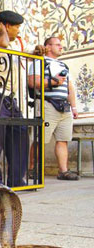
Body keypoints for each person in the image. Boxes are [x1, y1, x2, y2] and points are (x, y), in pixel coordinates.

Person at [0, 10, 45, 189]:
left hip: (10, 97)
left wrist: (38, 50)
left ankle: (16, 179)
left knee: (20, 133)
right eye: (16, 28)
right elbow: (1, 44)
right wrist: (2, 32)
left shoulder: (17, 43)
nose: (18, 31)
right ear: (6, 26)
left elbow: (30, 51)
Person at [28, 36, 79, 180]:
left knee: (63, 140)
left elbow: (69, 87)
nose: (61, 47)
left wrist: (74, 107)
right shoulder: (39, 62)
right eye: (57, 44)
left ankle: (63, 171)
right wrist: (53, 81)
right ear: (48, 47)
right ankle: (32, 169)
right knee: (40, 139)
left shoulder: (63, 65)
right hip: (47, 103)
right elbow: (33, 82)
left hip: (64, 106)